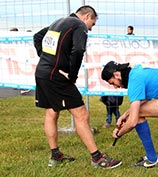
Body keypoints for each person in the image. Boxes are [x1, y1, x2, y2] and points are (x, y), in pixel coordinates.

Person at [33, 5, 122, 169]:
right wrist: (71, 75)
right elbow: (79, 49)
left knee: (51, 112)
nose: (90, 29)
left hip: (42, 72)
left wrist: (45, 58)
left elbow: (37, 37)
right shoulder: (78, 25)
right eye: (92, 24)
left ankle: (56, 156)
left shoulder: (58, 21)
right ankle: (97, 158)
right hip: (57, 75)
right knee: (81, 114)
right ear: (87, 16)